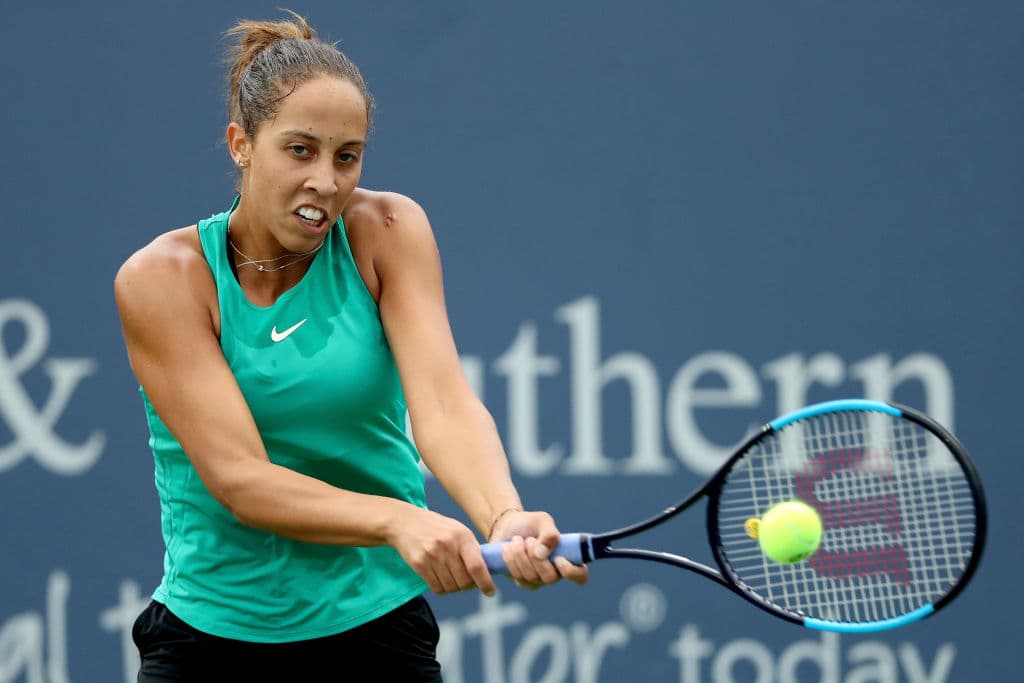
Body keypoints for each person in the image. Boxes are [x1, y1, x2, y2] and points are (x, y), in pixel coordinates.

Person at [114, 11, 587, 682]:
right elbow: (240, 480)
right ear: (240, 143)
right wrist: (399, 520)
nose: (327, 181)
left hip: (375, 629)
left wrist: (502, 513)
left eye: (347, 155)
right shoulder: (163, 280)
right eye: (299, 149)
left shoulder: (387, 230)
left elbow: (444, 403)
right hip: (209, 640)